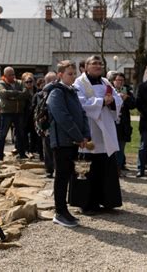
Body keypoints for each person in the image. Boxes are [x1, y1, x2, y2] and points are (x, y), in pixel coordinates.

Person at [74, 55, 123, 213]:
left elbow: (117, 99)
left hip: (106, 130)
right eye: (94, 63)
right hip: (90, 129)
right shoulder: (80, 83)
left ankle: (107, 201)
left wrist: (113, 101)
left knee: (105, 168)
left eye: (100, 63)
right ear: (86, 67)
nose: (98, 66)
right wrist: (102, 101)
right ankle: (87, 204)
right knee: (88, 169)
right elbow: (80, 103)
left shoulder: (106, 82)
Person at [47, 60, 90, 227]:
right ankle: (60, 211)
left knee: (67, 174)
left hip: (73, 140)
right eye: (69, 74)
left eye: (74, 74)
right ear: (60, 75)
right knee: (61, 176)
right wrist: (79, 136)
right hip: (62, 141)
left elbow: (82, 114)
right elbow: (63, 118)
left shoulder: (72, 91)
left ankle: (65, 210)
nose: (73, 77)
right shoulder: (56, 93)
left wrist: (85, 135)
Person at [0, 67, 30, 161]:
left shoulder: (19, 82)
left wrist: (12, 96)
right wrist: (17, 94)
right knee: (3, 134)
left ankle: (22, 154)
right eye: (10, 75)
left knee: (20, 134)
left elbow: (25, 93)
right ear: (5, 75)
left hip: (18, 112)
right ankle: (0, 156)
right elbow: (3, 94)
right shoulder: (1, 83)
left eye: (13, 74)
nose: (13, 76)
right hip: (6, 113)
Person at [111, 73, 135, 174]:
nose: (120, 82)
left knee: (121, 148)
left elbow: (133, 105)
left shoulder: (128, 91)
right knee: (111, 148)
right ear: (113, 81)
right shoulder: (109, 91)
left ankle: (118, 169)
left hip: (123, 124)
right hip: (112, 123)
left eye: (122, 80)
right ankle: (110, 169)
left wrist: (127, 98)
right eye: (118, 80)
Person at [35, 71, 58, 177]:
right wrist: (39, 126)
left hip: (57, 126)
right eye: (48, 81)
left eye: (53, 80)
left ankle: (57, 169)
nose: (51, 83)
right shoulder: (40, 95)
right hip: (46, 126)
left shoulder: (59, 92)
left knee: (56, 150)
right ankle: (49, 170)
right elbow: (36, 111)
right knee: (47, 149)